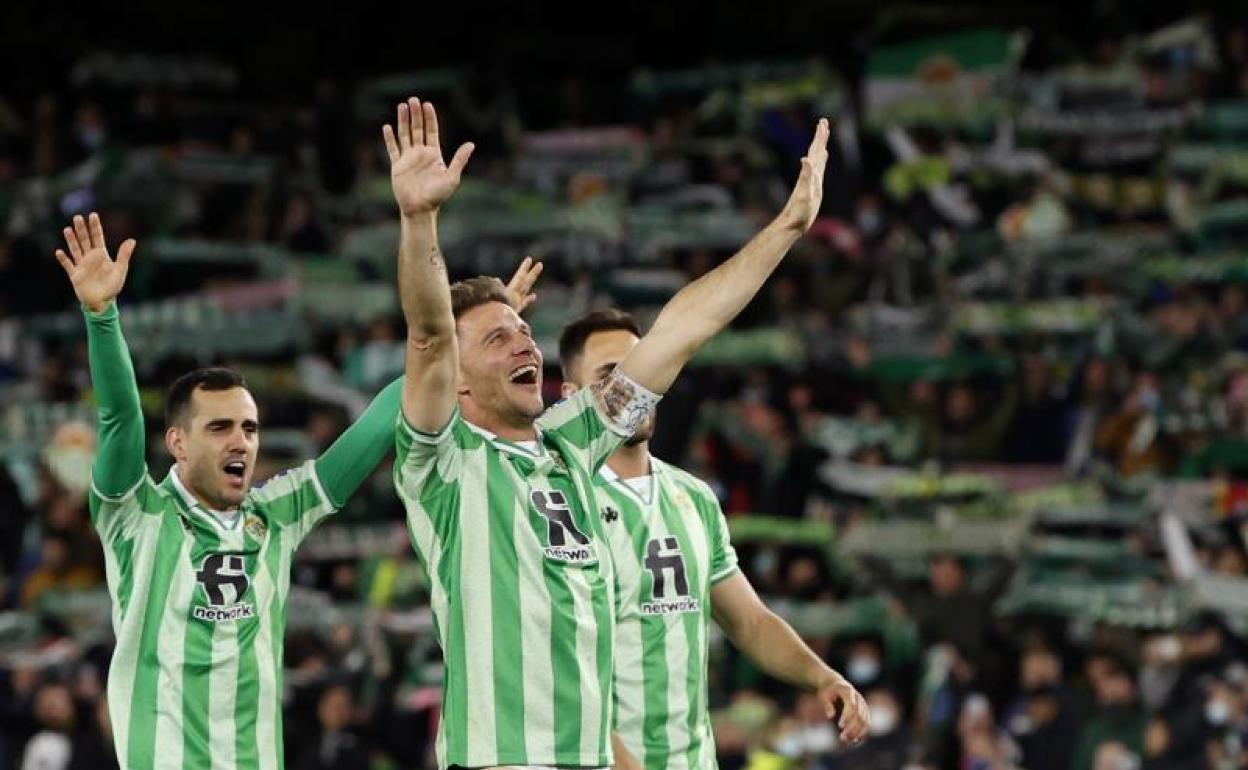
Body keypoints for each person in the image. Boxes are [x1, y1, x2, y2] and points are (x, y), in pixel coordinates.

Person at [383, 95, 868, 770]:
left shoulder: (572, 449)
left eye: (524, 331)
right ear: (458, 384)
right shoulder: (445, 462)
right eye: (498, 338)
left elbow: (681, 330)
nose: (524, 344)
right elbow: (431, 336)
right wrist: (418, 219)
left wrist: (786, 227)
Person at [52, 212, 402, 770]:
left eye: (249, 428)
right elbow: (120, 418)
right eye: (219, 427)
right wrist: (101, 316)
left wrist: (445, 350)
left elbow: (374, 429)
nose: (240, 441)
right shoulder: (137, 513)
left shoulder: (278, 515)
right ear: (178, 442)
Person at [557, 308, 869, 770]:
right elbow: (559, 665)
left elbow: (751, 622)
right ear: (571, 396)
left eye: (641, 368)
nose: (632, 388)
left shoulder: (693, 498)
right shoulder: (560, 504)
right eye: (609, 375)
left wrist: (821, 676)